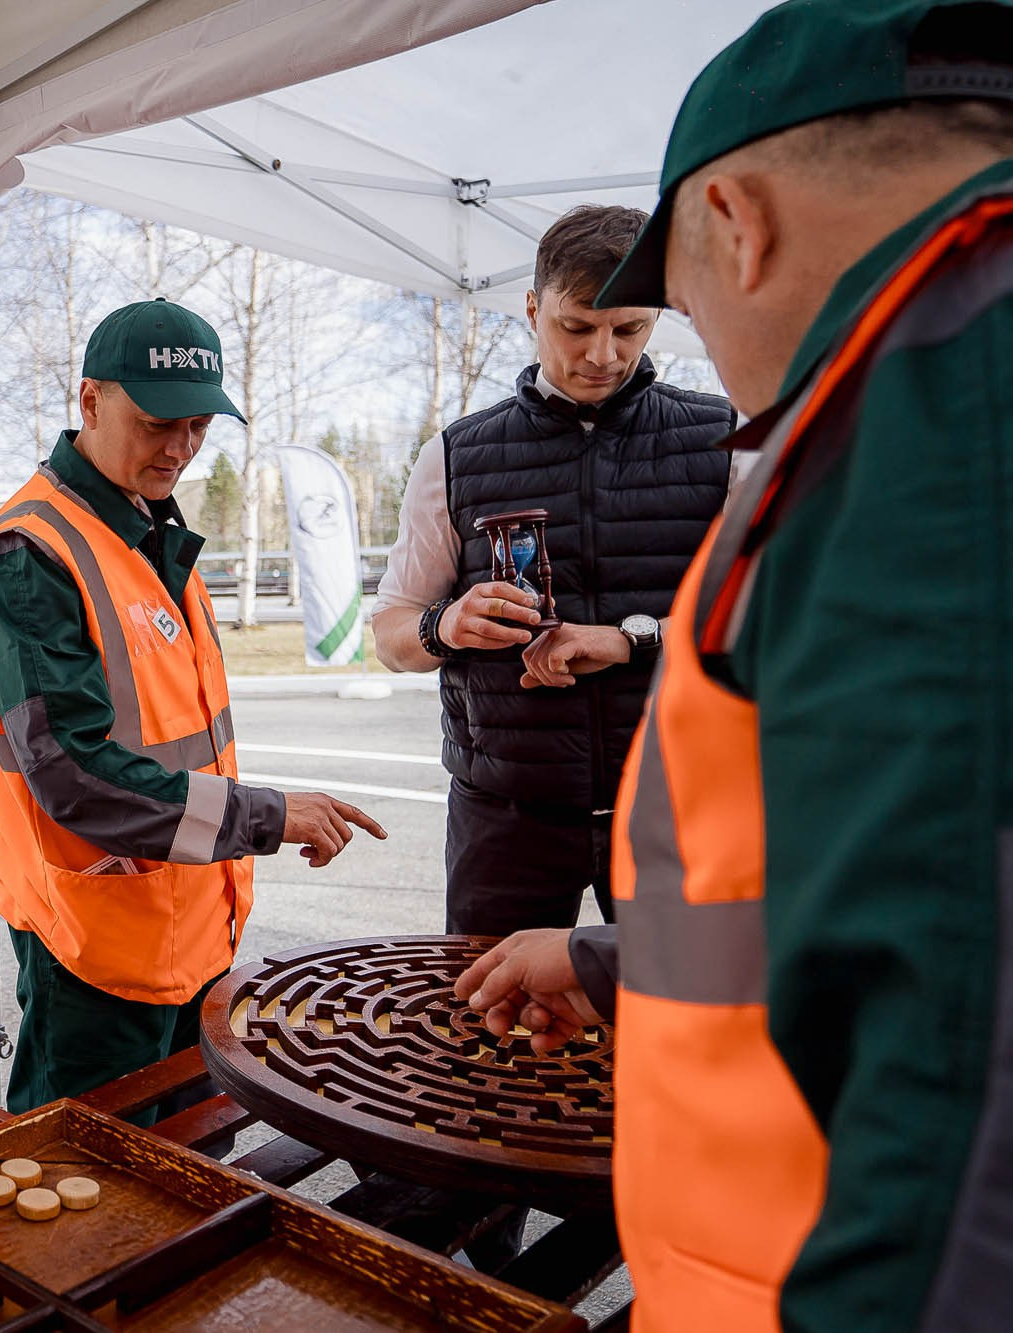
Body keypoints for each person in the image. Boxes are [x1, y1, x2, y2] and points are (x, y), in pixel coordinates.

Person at [454, 2, 1013, 1327]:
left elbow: (967, 1070)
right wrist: (606, 965)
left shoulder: (951, 408)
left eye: (666, 310)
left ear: (735, 220)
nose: (670, 340)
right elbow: (873, 867)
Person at [0, 298, 386, 1114]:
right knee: (88, 1208)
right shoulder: (28, 555)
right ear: (90, 401)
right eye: (158, 423)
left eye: (198, 427)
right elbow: (75, 778)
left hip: (189, 932)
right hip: (93, 955)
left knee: (193, 1172)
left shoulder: (149, 536)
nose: (180, 448)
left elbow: (178, 745)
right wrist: (270, 816)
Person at [370, 206, 736, 937]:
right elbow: (391, 633)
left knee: (674, 1036)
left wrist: (631, 640)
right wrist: (447, 625)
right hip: (506, 817)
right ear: (533, 309)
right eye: (577, 327)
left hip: (680, 808)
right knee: (490, 1032)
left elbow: (770, 621)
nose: (603, 353)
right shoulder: (456, 454)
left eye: (628, 328)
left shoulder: (722, 439)